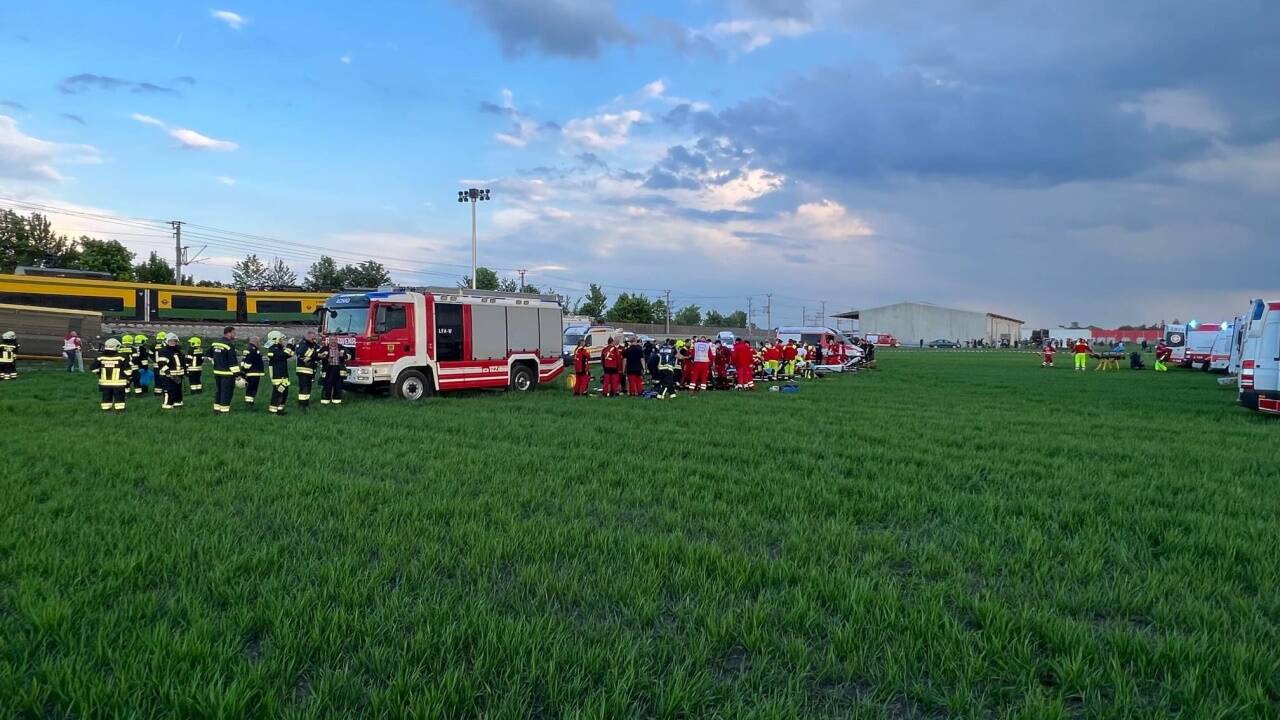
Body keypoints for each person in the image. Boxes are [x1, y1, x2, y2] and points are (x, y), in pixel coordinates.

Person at [90, 338, 132, 412]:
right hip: (119, 383)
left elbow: (93, 368)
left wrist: (100, 372)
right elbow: (128, 371)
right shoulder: (122, 357)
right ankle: (119, 411)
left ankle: (106, 410)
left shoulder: (100, 357)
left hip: (105, 382)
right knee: (119, 397)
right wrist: (127, 378)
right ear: (116, 346)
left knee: (106, 397)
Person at [210, 326, 239, 413]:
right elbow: (232, 361)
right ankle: (224, 411)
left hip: (217, 372)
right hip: (227, 374)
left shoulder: (215, 343)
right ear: (229, 333)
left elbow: (208, 354)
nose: (235, 335)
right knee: (227, 392)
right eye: (234, 333)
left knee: (219, 391)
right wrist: (237, 374)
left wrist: (215, 362)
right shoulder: (230, 345)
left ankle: (216, 409)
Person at [265, 330, 294, 415]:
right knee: (277, 393)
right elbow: (285, 354)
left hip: (283, 375)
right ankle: (273, 411)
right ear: (276, 339)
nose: (282, 341)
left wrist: (292, 346)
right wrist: (289, 345)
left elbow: (289, 354)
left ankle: (280, 410)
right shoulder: (273, 349)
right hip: (278, 376)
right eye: (281, 339)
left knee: (284, 393)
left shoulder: (278, 348)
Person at [156, 333, 187, 409]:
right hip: (168, 376)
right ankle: (167, 406)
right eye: (171, 341)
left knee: (178, 391)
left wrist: (185, 371)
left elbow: (182, 362)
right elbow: (161, 363)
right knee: (169, 391)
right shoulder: (163, 351)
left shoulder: (178, 350)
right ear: (166, 341)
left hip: (178, 375)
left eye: (175, 341)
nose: (173, 342)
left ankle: (178, 405)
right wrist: (168, 373)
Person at [318, 336, 349, 404]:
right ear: (329, 340)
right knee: (327, 385)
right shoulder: (324, 348)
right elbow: (318, 357)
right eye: (332, 340)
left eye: (335, 340)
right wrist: (326, 359)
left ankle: (336, 401)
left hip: (339, 369)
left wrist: (342, 356)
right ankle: (325, 401)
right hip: (328, 369)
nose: (333, 341)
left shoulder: (342, 348)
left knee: (338, 386)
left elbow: (349, 356)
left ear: (337, 340)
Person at [295, 330, 320, 410]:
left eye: (315, 337)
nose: (314, 339)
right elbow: (302, 352)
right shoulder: (302, 344)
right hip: (303, 370)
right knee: (304, 387)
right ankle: (302, 404)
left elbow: (318, 352)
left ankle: (306, 402)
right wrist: (315, 355)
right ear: (308, 337)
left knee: (308, 387)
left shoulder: (313, 345)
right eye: (313, 338)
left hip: (310, 370)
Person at [240, 336, 265, 409]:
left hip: (250, 372)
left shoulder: (248, 348)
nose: (259, 343)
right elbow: (249, 361)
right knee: (252, 388)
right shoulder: (253, 349)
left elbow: (244, 361)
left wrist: (243, 371)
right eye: (258, 341)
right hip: (254, 372)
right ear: (255, 341)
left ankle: (249, 402)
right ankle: (249, 404)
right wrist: (245, 370)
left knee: (249, 388)